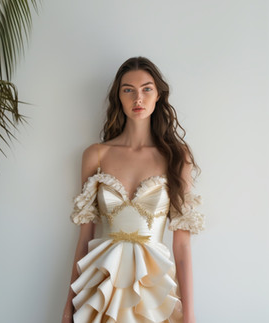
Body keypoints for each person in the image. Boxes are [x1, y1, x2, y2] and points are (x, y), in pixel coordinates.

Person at [62, 56, 205, 323]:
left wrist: (190, 315)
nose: (137, 98)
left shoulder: (176, 156)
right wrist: (68, 308)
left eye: (146, 89)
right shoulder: (96, 155)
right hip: (102, 290)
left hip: (154, 294)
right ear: (118, 96)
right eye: (128, 89)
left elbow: (182, 245)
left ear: (158, 95)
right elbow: (84, 239)